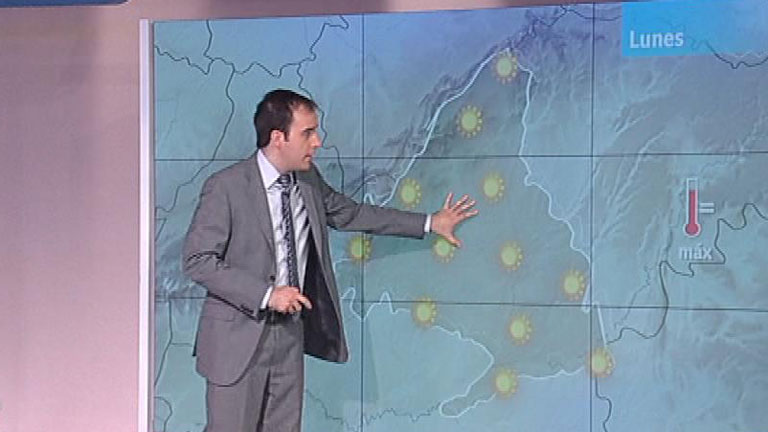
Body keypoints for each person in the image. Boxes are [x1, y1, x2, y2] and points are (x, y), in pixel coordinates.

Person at [183, 89, 477, 432]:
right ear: (278, 138)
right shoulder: (226, 187)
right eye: (308, 133)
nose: (318, 142)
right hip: (236, 338)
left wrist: (429, 223)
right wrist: (267, 295)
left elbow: (351, 214)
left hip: (290, 334)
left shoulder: (308, 180)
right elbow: (198, 260)